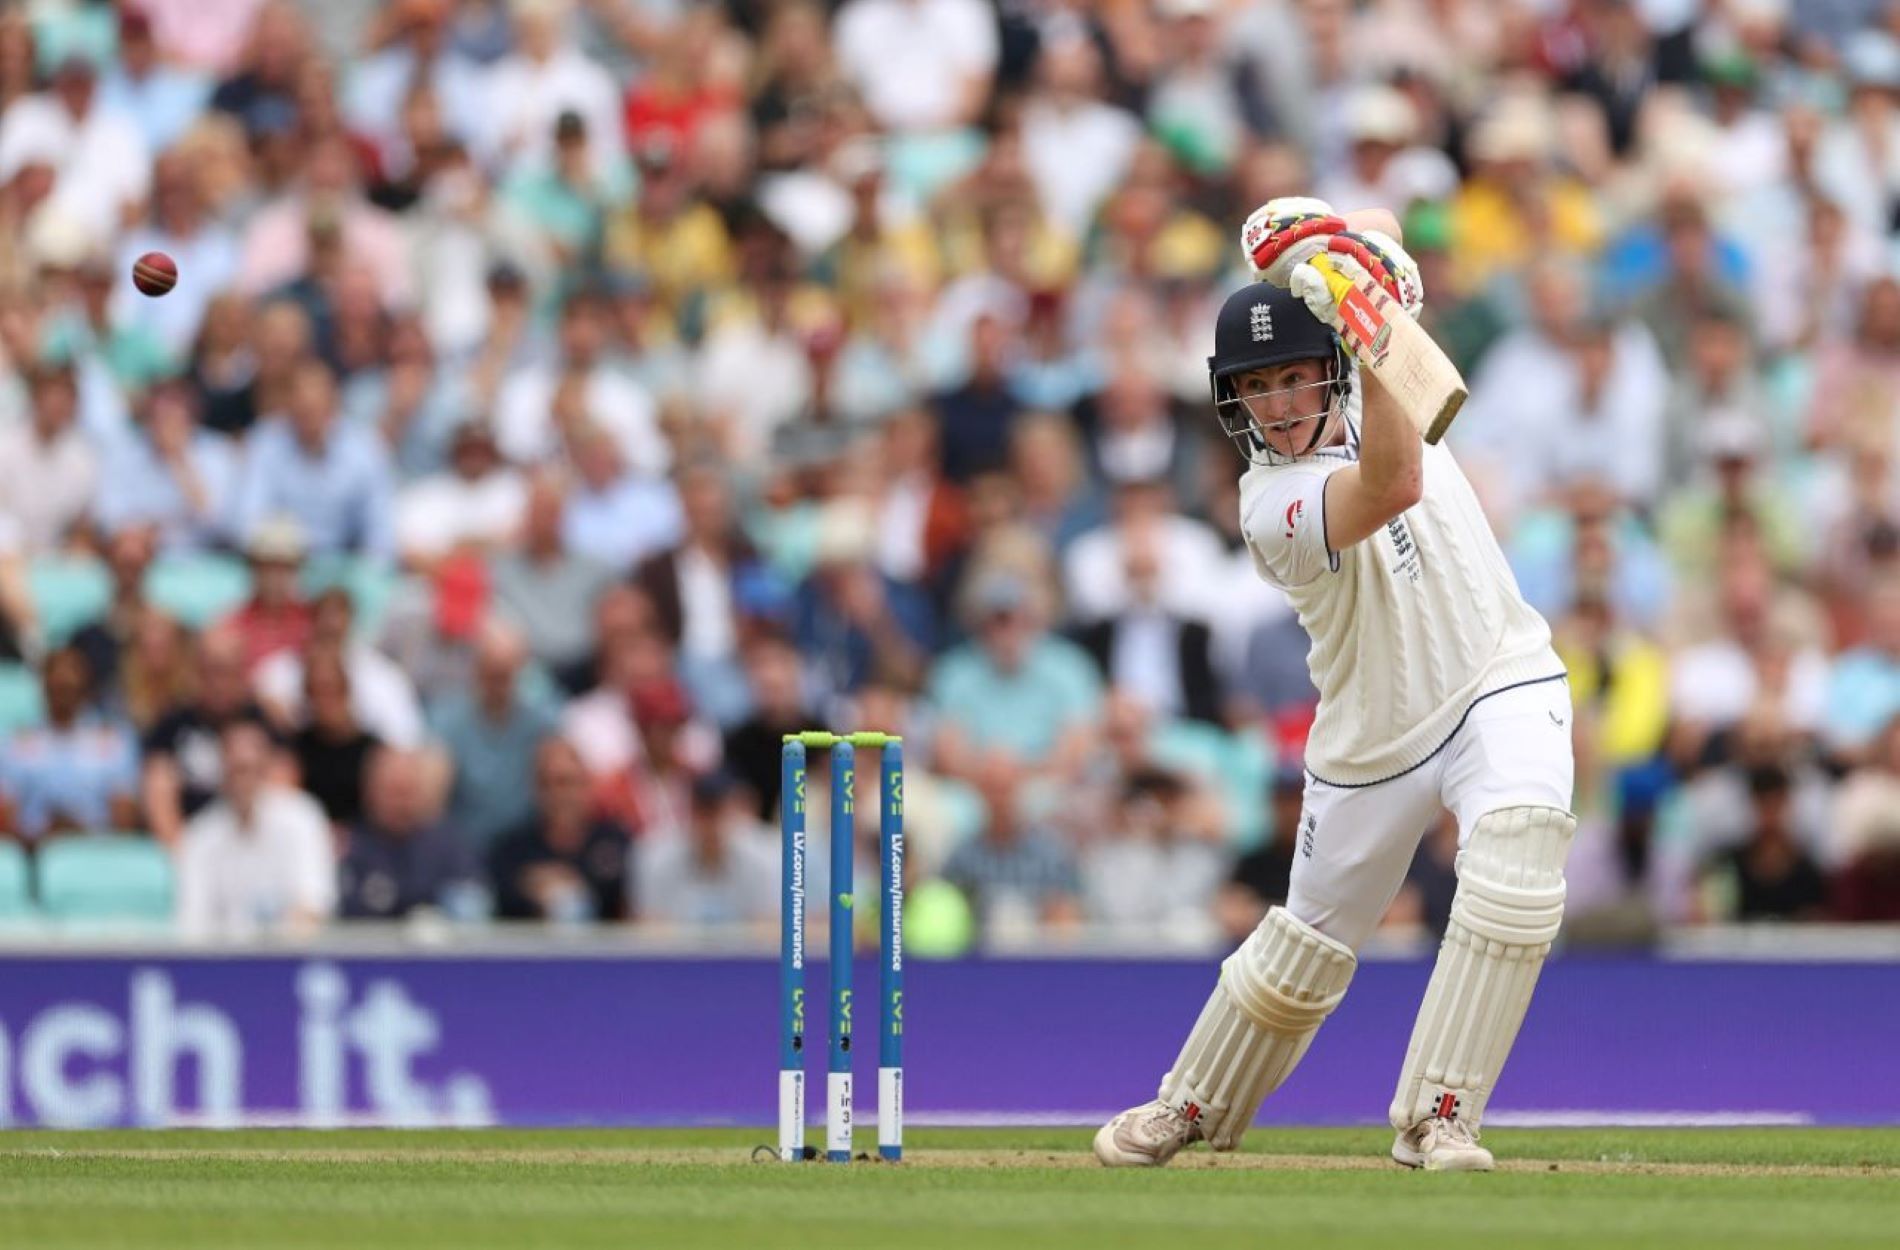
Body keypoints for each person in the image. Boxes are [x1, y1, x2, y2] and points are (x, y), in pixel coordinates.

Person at [1094, 201, 1574, 1174]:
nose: (1274, 401)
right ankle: (1194, 1099)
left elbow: (1382, 225)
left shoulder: (1374, 366)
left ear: (1330, 370)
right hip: (1372, 729)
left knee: (1517, 866)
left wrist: (1343, 250)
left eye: (1291, 375)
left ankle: (1439, 1114)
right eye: (1254, 385)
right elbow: (1393, 480)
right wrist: (1366, 319)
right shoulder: (1266, 502)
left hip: (1499, 671)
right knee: (1306, 946)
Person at [175, 717, 336, 941]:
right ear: (221, 770)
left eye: (252, 769)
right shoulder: (200, 835)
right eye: (236, 769)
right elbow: (193, 923)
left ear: (267, 767)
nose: (244, 781)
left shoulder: (302, 817)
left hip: (290, 958)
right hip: (223, 964)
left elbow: (315, 903)